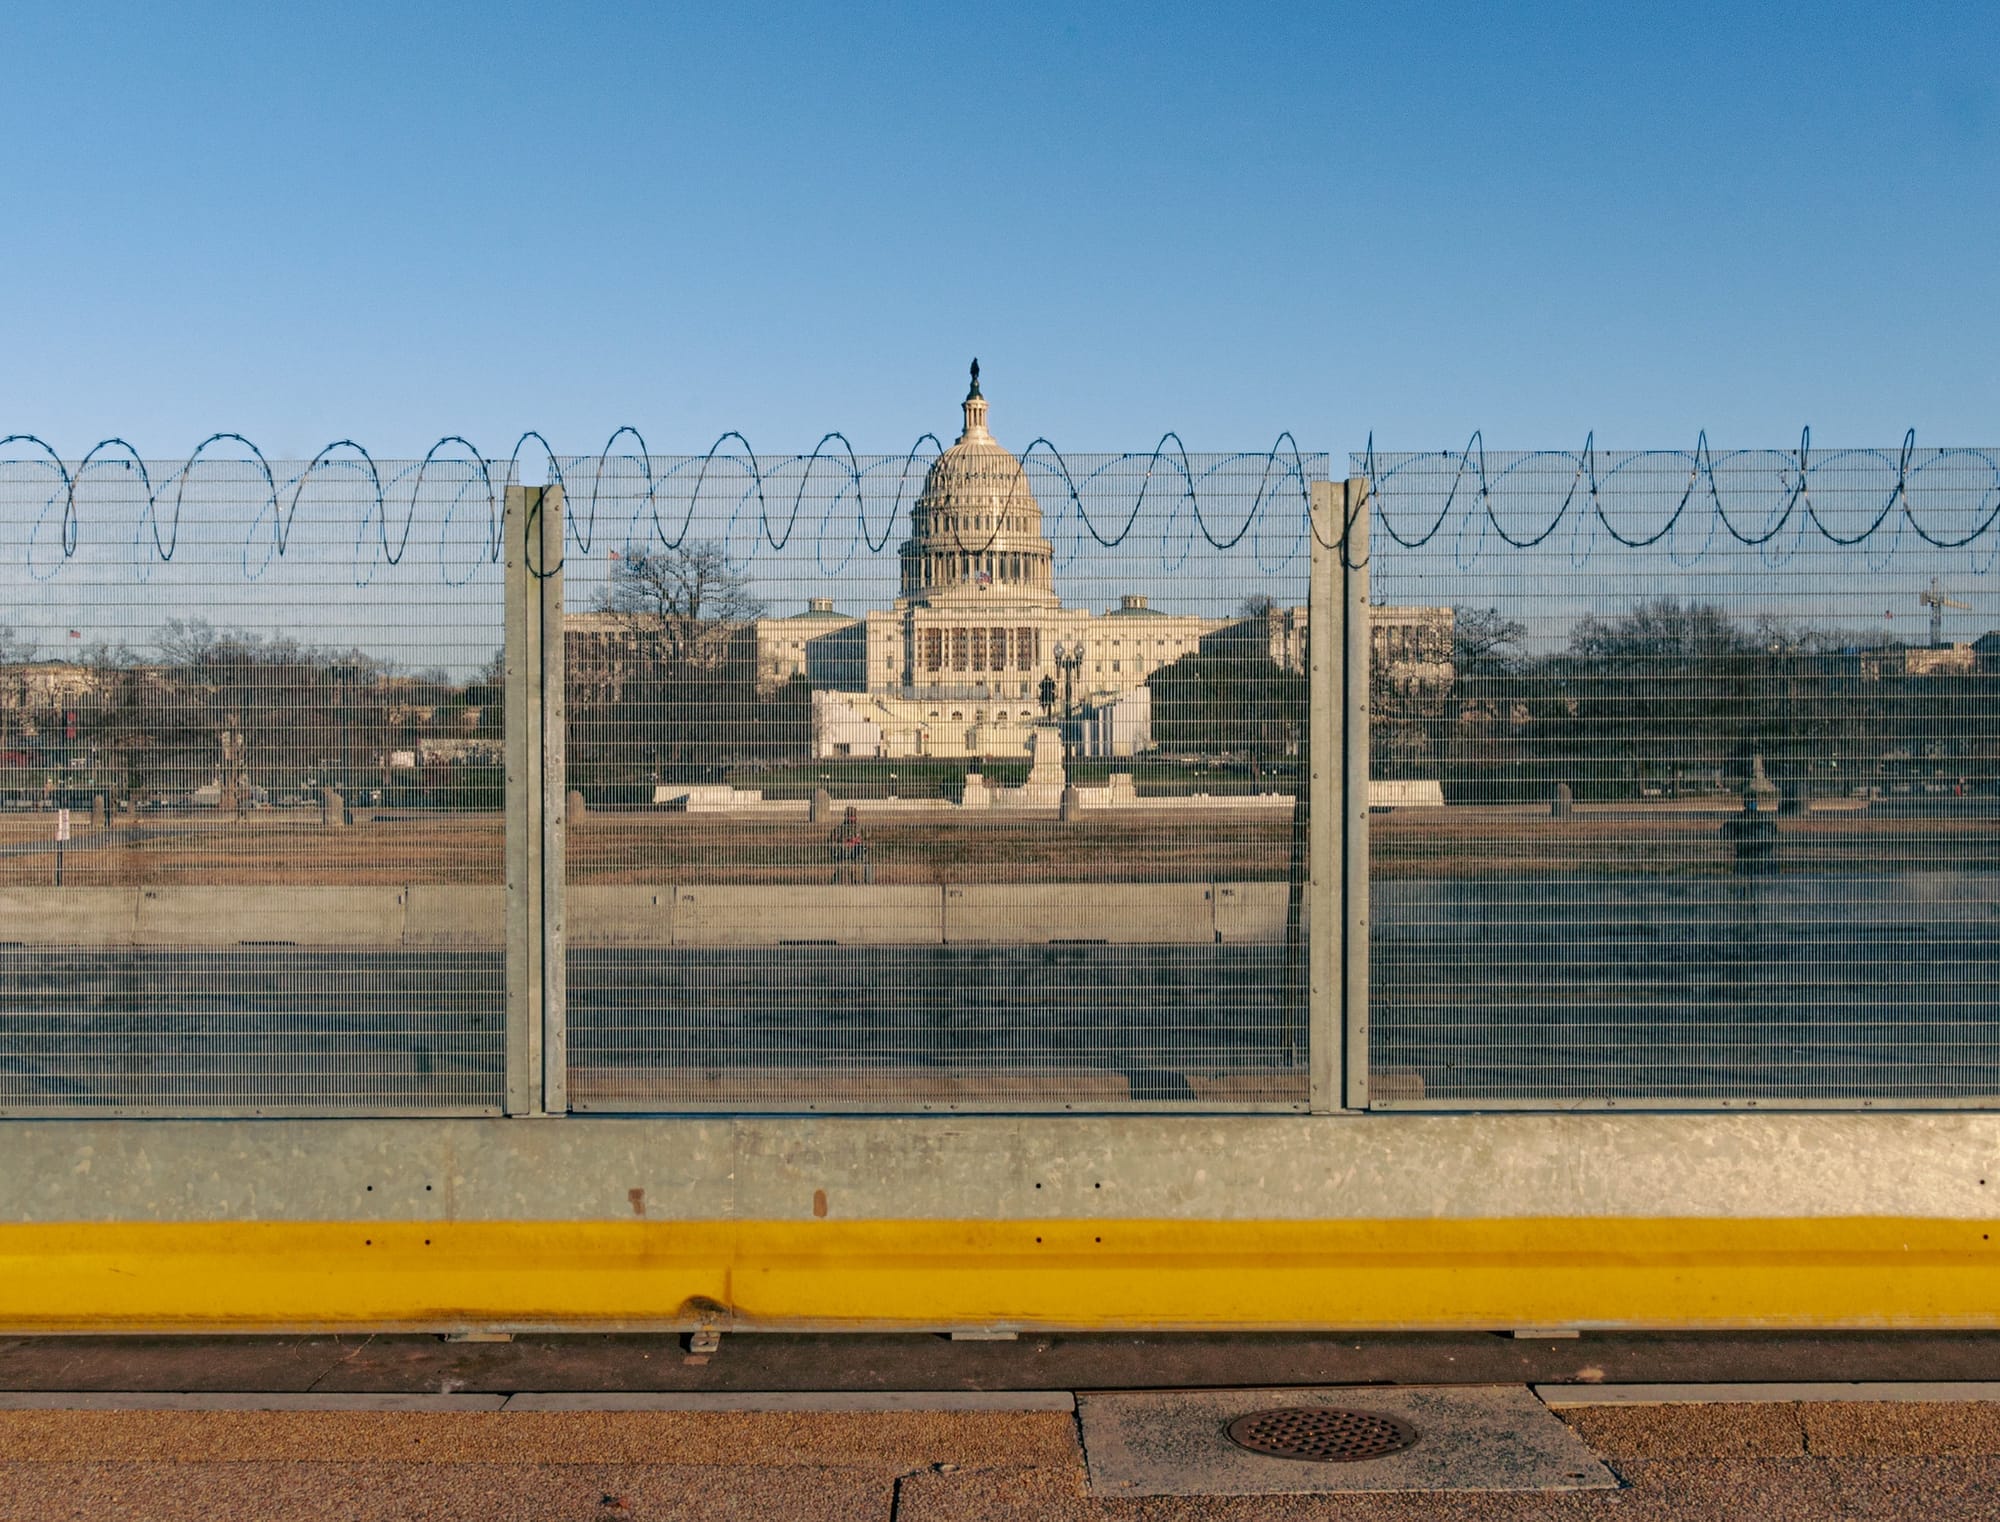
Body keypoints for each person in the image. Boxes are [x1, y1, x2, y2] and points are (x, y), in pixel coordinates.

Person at [828, 805, 872, 884]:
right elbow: (832, 842)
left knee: (868, 864)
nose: (851, 818)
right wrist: (844, 843)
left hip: (857, 854)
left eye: (853, 816)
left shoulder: (861, 828)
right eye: (849, 816)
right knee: (842, 870)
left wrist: (859, 842)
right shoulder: (839, 829)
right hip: (843, 854)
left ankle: (867, 883)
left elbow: (868, 841)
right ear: (845, 817)